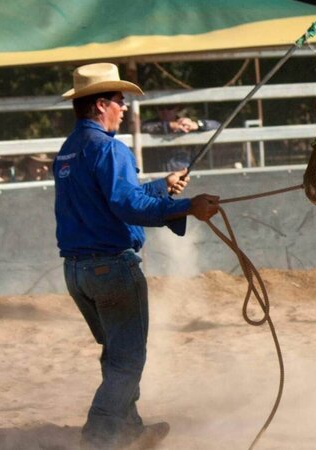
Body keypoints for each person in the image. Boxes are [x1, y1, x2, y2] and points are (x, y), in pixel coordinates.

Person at [54, 62, 220, 450]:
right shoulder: (110, 149)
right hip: (111, 268)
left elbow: (109, 198)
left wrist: (161, 188)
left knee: (116, 353)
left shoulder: (68, 152)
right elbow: (126, 205)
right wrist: (186, 207)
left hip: (77, 272)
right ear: (99, 105)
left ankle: (130, 428)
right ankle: (98, 436)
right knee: (127, 360)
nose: (124, 107)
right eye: (118, 100)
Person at [141, 106, 221, 172]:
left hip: (184, 173)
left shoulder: (187, 123)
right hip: (157, 175)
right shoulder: (149, 124)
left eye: (169, 108)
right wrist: (169, 126)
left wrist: (197, 124)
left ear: (177, 109)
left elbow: (217, 125)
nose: (165, 111)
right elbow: (142, 128)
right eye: (161, 108)